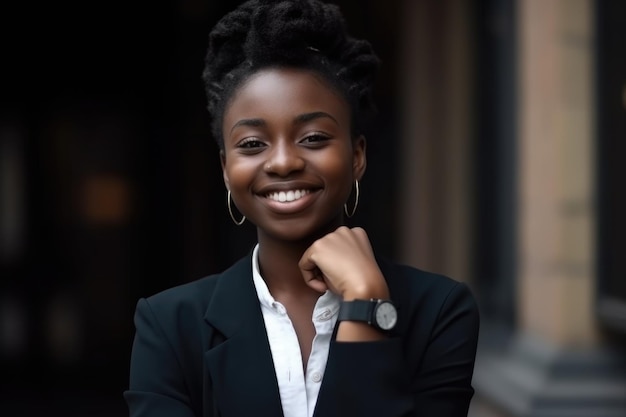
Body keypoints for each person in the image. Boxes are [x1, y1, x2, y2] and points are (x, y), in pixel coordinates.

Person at [124, 0, 480, 416]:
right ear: (226, 169)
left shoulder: (439, 312)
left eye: (312, 138)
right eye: (252, 144)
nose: (282, 162)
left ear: (357, 156)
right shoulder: (169, 325)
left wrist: (365, 305)